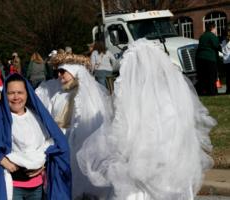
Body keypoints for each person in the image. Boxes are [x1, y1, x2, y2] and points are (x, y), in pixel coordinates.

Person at [77, 39, 216, 200]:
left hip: (152, 174)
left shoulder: (147, 101)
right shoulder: (167, 97)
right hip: (161, 172)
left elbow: (126, 139)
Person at [0, 73, 71, 200]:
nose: (16, 97)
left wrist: (43, 163)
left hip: (37, 186)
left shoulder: (37, 116)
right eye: (11, 93)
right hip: (12, 186)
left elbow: (53, 142)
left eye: (20, 92)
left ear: (27, 94)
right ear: (5, 95)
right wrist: (0, 159)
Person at [35, 53, 113, 199]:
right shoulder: (58, 94)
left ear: (74, 72)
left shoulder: (87, 96)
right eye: (58, 72)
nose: (59, 76)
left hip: (78, 145)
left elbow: (91, 124)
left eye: (63, 72)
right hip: (59, 146)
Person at [196, 22, 221, 95]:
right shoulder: (212, 36)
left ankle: (202, 91)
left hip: (199, 58)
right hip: (210, 58)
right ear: (212, 28)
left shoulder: (202, 36)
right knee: (212, 76)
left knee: (203, 76)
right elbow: (217, 46)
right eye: (215, 28)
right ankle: (212, 92)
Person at [221, 29, 230, 94]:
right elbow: (222, 51)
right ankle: (228, 90)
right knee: (227, 77)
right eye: (226, 35)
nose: (227, 37)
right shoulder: (223, 42)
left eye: (228, 35)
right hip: (226, 62)